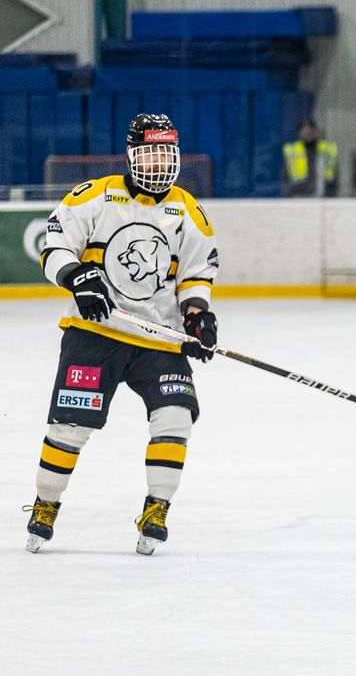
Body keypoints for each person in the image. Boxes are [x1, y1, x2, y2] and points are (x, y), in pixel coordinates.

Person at [24, 113, 220, 557]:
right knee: (70, 425)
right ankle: (46, 503)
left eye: (164, 153)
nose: (156, 162)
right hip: (96, 332)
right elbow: (53, 248)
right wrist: (77, 278)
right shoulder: (93, 196)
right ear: (131, 155)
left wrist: (196, 315)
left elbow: (196, 274)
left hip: (159, 338)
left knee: (176, 418)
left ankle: (156, 509)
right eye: (148, 152)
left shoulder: (188, 210)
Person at [283, 117, 338, 197]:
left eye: (310, 129)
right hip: (298, 195)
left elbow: (335, 176)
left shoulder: (327, 149)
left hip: (324, 195)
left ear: (315, 131)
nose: (308, 132)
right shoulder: (292, 151)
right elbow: (285, 178)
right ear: (299, 132)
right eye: (304, 129)